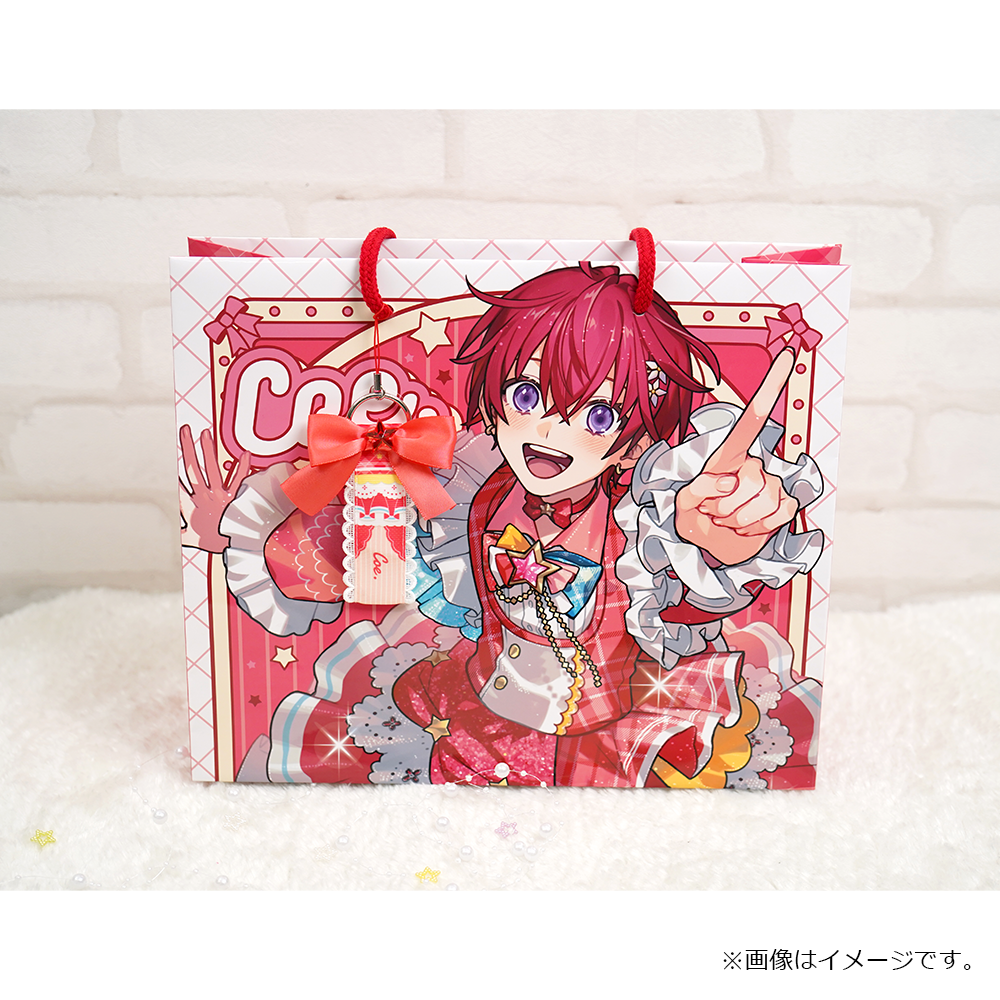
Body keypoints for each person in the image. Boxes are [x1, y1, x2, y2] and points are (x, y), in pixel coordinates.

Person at [389, 262, 823, 787]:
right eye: (525, 395)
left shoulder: (637, 525)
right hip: (479, 704)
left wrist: (717, 549)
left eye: (599, 416)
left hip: (588, 731)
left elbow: (680, 606)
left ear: (636, 442)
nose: (549, 429)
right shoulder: (483, 491)